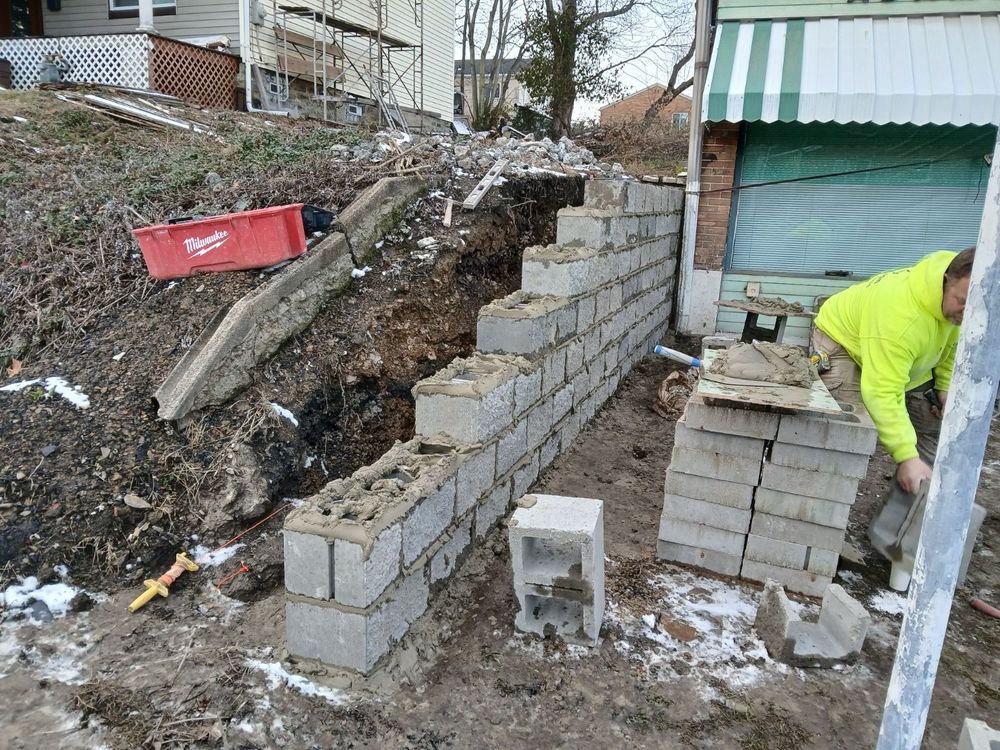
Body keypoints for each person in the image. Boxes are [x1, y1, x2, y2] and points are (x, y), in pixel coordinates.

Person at [811, 248, 975, 582]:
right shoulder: (901, 316)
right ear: (947, 281)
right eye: (961, 302)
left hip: (902, 361)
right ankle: (818, 532)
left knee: (930, 434)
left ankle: (895, 536)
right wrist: (904, 454)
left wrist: (943, 388)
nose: (966, 311)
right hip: (842, 341)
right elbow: (881, 391)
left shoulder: (962, 296)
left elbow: (951, 343)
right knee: (848, 435)